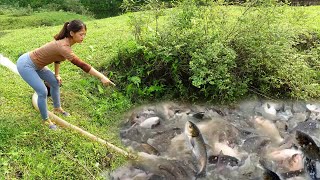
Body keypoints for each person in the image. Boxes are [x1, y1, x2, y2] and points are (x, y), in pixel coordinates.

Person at [16, 20, 115, 130]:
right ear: (72, 33)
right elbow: (82, 65)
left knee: (54, 82)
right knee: (42, 91)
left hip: (38, 65)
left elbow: (57, 59)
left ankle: (57, 108)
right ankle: (45, 120)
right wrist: (101, 77)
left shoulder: (66, 43)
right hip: (26, 64)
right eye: (81, 34)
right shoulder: (63, 46)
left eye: (84, 34)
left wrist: (57, 75)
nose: (83, 37)